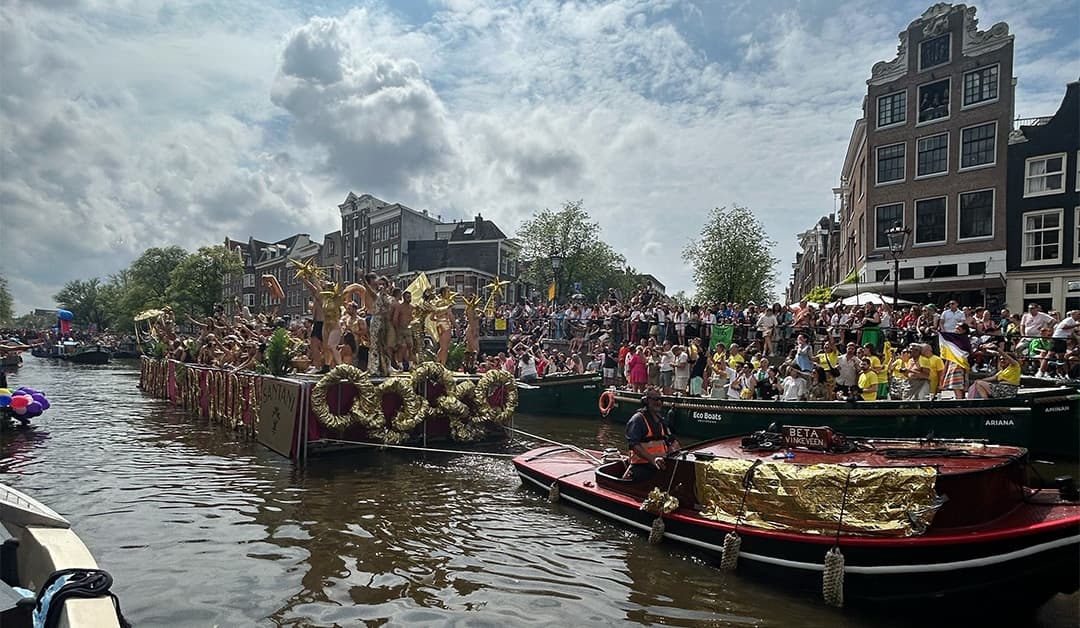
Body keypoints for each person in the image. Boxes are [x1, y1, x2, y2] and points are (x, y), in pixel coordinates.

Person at [625, 389, 680, 482]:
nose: (658, 402)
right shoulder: (637, 420)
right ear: (646, 401)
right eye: (655, 399)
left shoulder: (661, 421)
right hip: (641, 467)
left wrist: (677, 452)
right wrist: (653, 460)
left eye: (660, 399)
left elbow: (671, 441)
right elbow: (634, 445)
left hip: (660, 465)